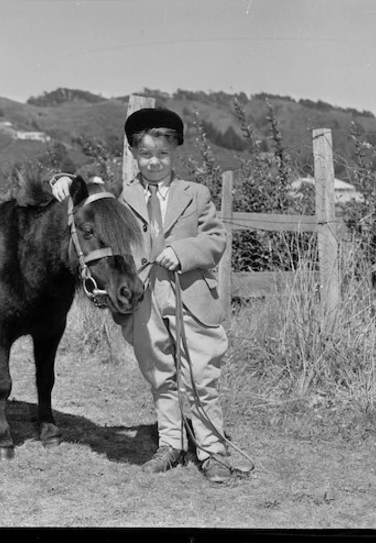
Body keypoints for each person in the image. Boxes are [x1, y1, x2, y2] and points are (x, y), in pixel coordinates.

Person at [51, 108, 232, 483]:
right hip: (145, 301)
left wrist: (183, 253)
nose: (154, 162)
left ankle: (213, 451)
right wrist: (63, 180)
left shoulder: (196, 195)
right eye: (146, 154)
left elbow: (216, 240)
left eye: (162, 154)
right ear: (134, 154)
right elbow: (86, 197)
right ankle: (170, 443)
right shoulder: (120, 197)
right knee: (160, 376)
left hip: (191, 299)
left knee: (199, 376)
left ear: (175, 153)